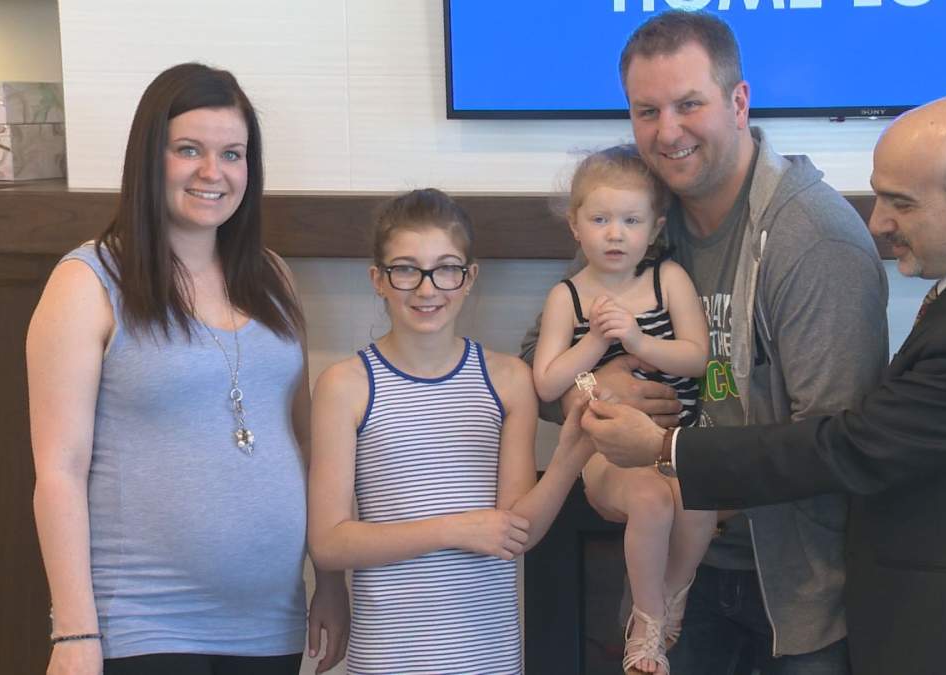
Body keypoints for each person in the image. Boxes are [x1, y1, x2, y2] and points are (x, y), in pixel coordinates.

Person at [583, 95, 946, 675]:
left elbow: (848, 447)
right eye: (879, 194)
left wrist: (664, 448)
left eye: (901, 203)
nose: (878, 222)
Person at [520, 10, 887, 674]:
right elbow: (536, 365)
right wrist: (598, 389)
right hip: (672, 572)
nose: (667, 132)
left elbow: (841, 444)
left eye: (689, 104)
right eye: (646, 110)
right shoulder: (640, 218)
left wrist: (668, 449)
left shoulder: (812, 238)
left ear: (739, 101)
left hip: (794, 594)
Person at [27, 63, 349, 675]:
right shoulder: (87, 281)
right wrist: (73, 635)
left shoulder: (273, 276)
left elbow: (306, 440)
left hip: (268, 622)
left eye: (232, 153)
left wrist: (329, 579)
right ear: (150, 158)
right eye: (188, 150)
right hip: (145, 622)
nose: (213, 172)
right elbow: (59, 471)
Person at [307, 188, 595, 675]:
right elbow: (330, 542)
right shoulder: (345, 385)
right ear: (378, 279)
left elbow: (515, 532)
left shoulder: (508, 380)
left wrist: (570, 455)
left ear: (468, 278)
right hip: (387, 658)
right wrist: (454, 528)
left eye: (445, 268)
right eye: (405, 269)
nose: (426, 289)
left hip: (487, 656)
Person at [532, 144, 712, 674]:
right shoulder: (567, 296)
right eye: (601, 219)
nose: (615, 234)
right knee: (653, 503)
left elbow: (698, 358)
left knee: (701, 497)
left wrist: (638, 340)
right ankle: (646, 623)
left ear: (654, 228)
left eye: (631, 221)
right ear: (575, 225)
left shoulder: (667, 280)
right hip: (604, 449)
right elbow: (546, 382)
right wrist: (593, 347)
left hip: (671, 440)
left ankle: (671, 595)